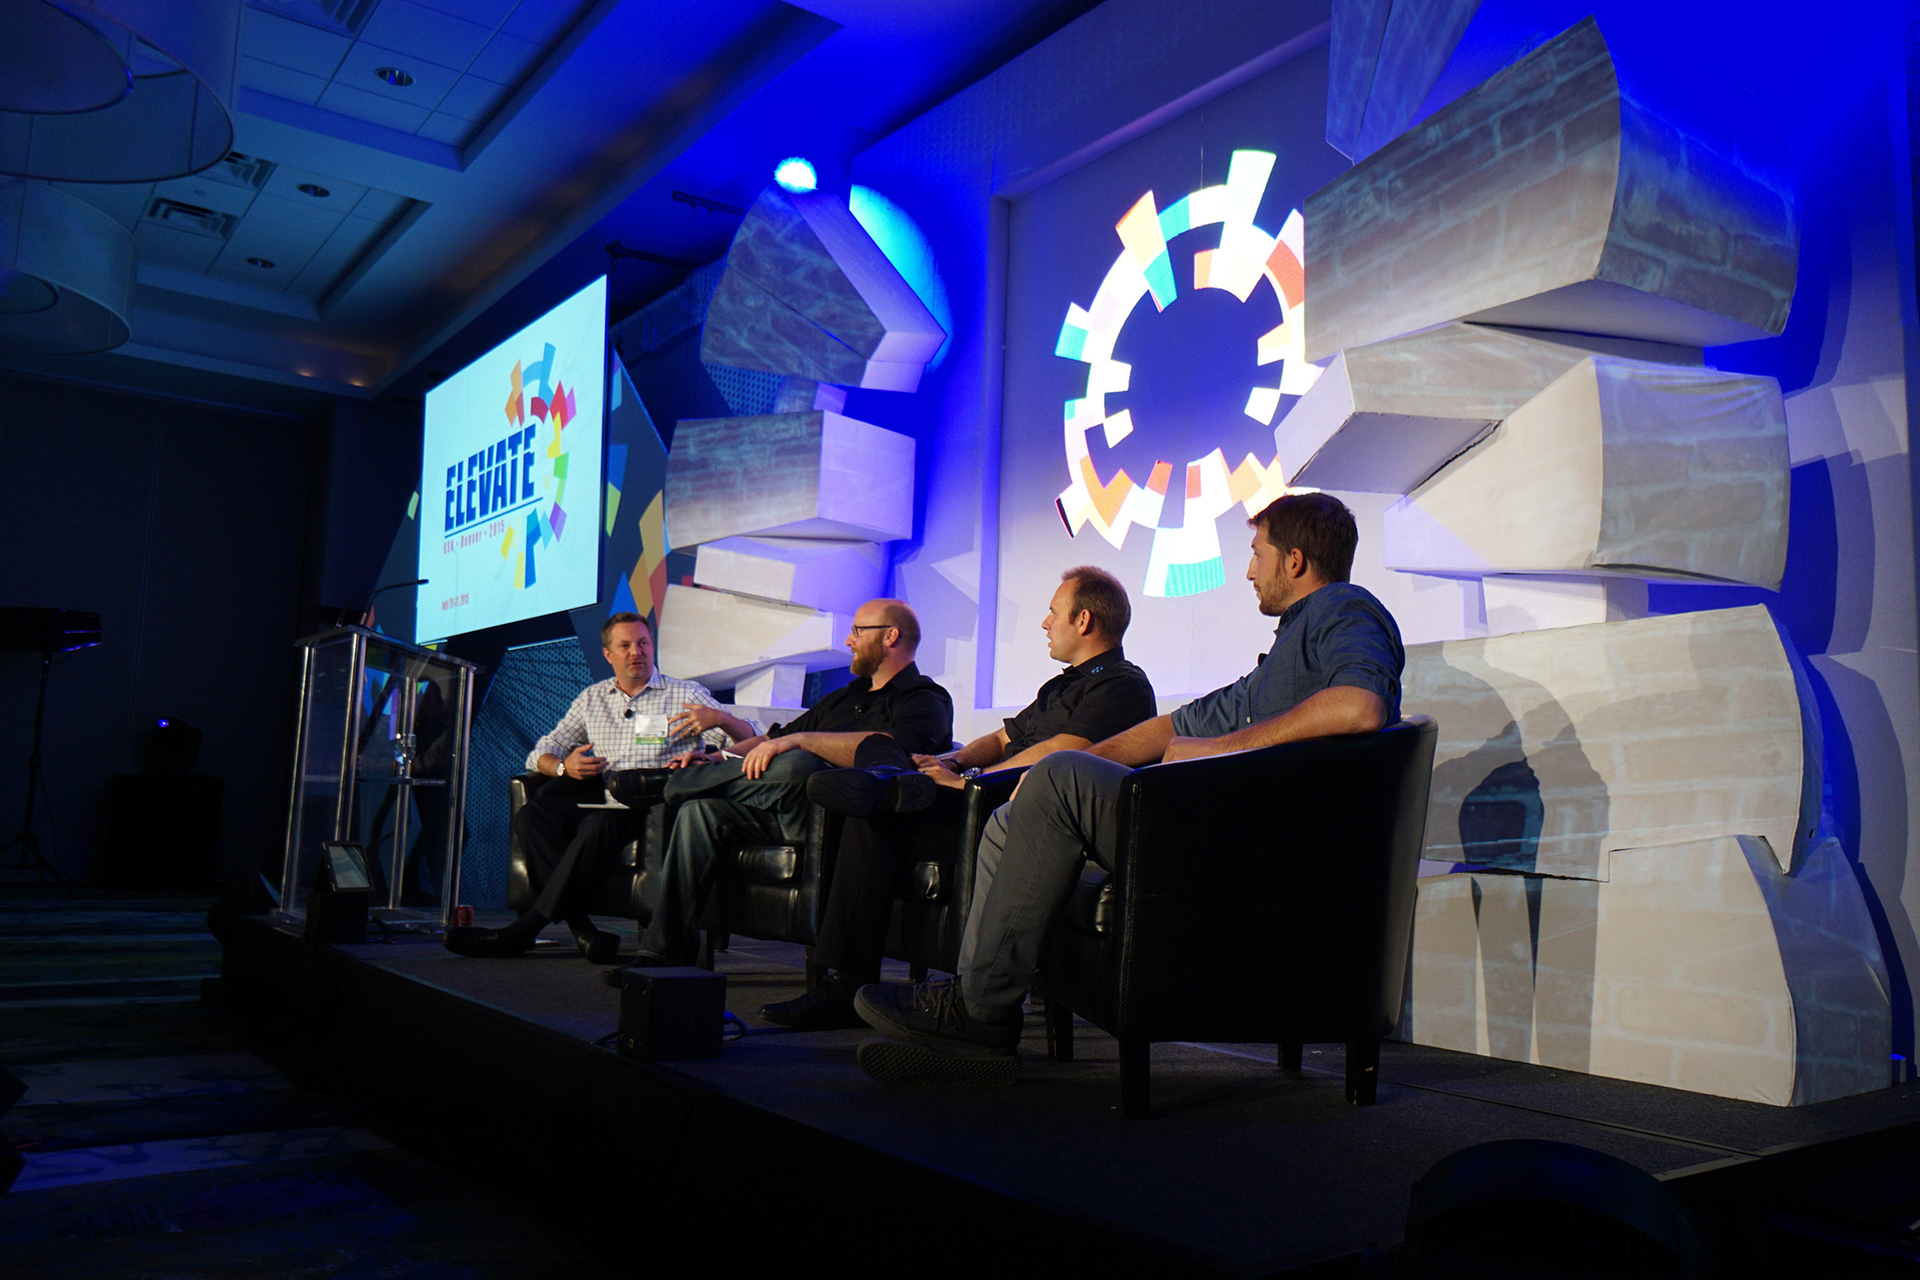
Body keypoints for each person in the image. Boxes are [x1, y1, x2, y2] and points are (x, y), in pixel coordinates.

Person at [851, 492, 1406, 1086]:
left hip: (1255, 844)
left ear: (1294, 561)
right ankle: (977, 1008)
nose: (1249, 570)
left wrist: (1214, 749)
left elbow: (1360, 705)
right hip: (1221, 827)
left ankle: (979, 1017)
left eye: (1256, 553)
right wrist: (1082, 762)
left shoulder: (1345, 609)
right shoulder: (1285, 653)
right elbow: (1175, 725)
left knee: (1059, 773)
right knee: (1014, 812)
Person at [758, 566, 1157, 1029]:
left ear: (1083, 620)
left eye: (1053, 612)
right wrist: (951, 761)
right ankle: (847, 980)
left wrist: (972, 780)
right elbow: (1003, 737)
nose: (1045, 623)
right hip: (980, 795)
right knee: (874, 803)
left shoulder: (1121, 683)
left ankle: (887, 780)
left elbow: (1063, 753)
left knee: (880, 799)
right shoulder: (1060, 685)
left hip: (1018, 809)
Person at [615, 598, 955, 969]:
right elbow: (771, 739)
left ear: (890, 636)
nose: (849, 640)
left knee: (799, 763)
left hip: (850, 823)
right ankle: (663, 952)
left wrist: (804, 742)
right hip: (791, 813)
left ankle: (672, 784)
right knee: (700, 811)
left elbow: (894, 753)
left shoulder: (925, 698)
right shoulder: (843, 698)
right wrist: (717, 758)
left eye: (858, 631)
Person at [444, 613, 755, 963]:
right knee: (532, 817)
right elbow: (542, 751)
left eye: (643, 643)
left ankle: (523, 931)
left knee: (599, 824)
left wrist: (723, 719)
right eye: (625, 645)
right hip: (606, 801)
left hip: (657, 806)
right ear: (608, 655)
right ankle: (584, 932)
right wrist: (563, 767)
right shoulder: (592, 699)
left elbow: (751, 740)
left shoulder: (684, 694)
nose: (636, 652)